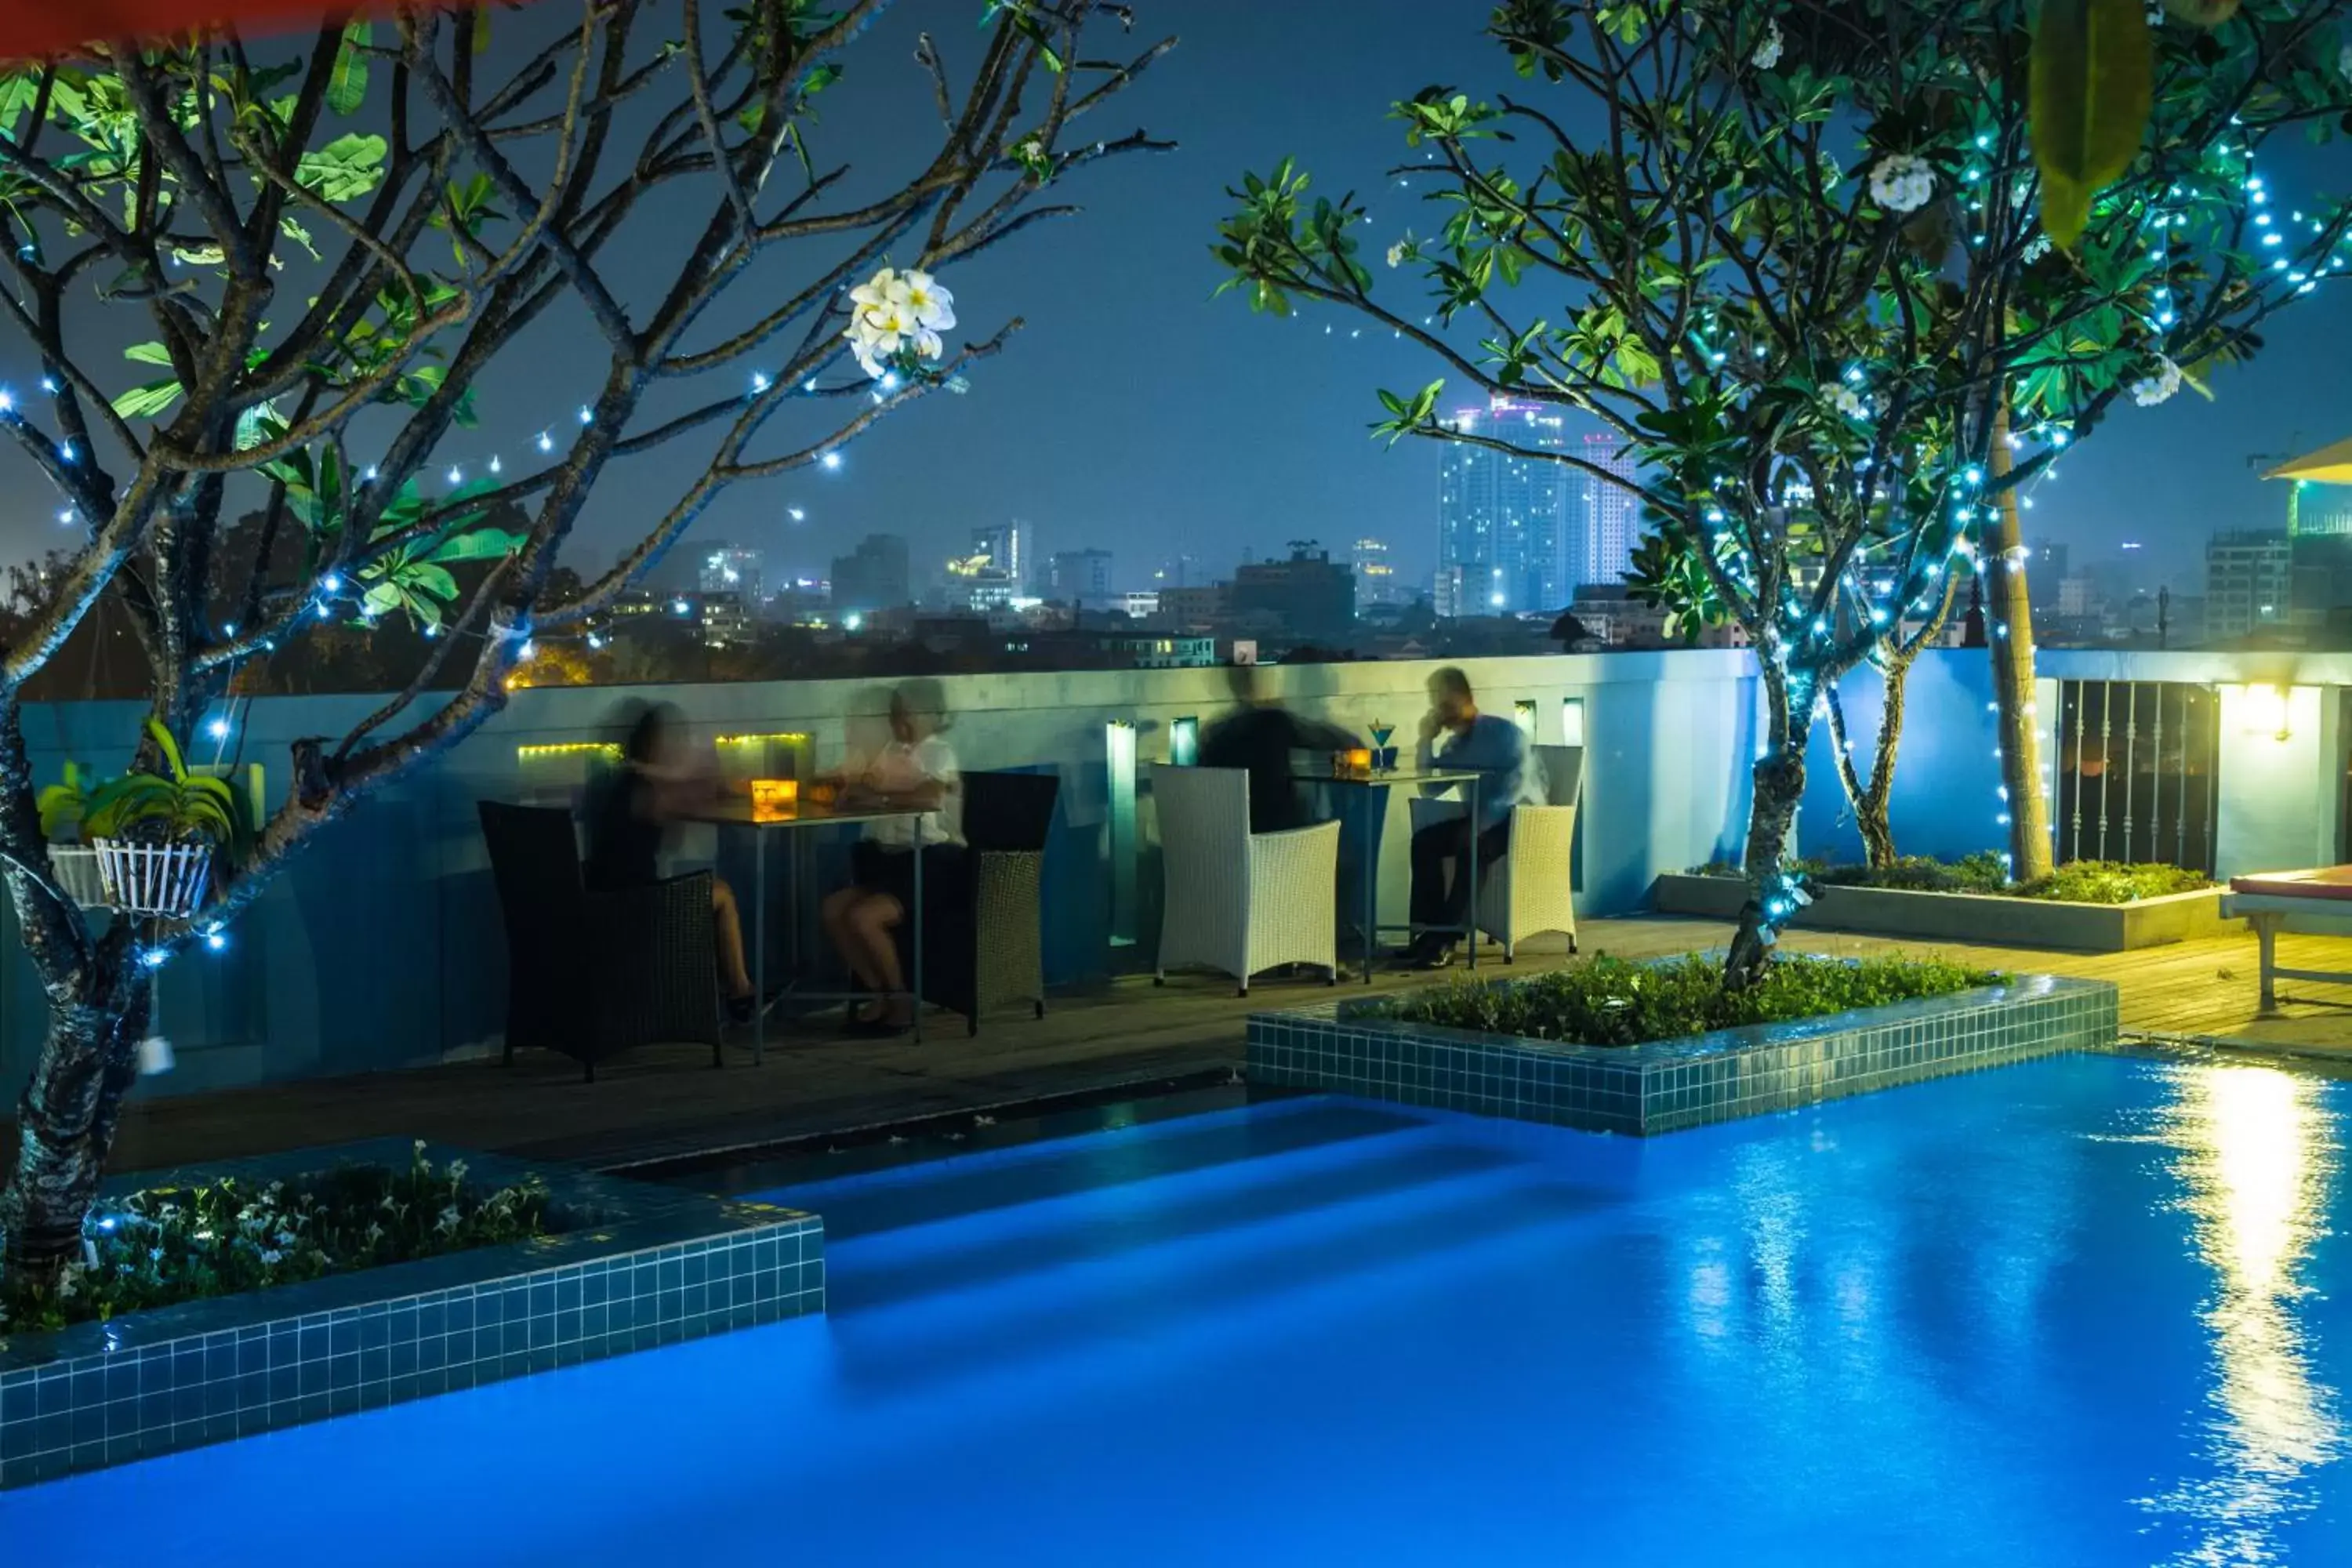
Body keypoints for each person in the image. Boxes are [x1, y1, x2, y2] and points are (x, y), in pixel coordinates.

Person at [581, 700, 757, 1022]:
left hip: (601, 894)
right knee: (722, 894)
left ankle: (735, 988)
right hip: (636, 903)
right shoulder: (646, 790)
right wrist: (708, 780)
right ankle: (740, 988)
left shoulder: (612, 781)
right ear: (656, 744)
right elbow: (682, 811)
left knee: (713, 889)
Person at [821, 681, 966, 1036]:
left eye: (908, 712)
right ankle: (880, 992)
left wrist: (881, 797)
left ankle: (900, 999)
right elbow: (858, 786)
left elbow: (930, 797)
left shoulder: (937, 752)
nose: (901, 720)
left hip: (930, 862)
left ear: (933, 716)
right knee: (833, 910)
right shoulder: (890, 753)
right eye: (897, 713)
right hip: (887, 862)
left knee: (864, 918)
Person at [1406, 666, 1526, 968]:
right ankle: (1428, 932)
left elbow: (1517, 788)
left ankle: (1447, 940)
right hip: (1480, 820)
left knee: (1471, 846)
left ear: (1466, 698)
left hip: (1519, 819)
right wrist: (1425, 741)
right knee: (1425, 843)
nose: (1441, 711)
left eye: (1446, 704)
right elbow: (1430, 788)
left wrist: (1480, 824)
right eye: (1437, 704)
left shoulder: (1503, 734)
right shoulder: (1455, 746)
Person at [1197, 661, 1359, 832]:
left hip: (1229, 838)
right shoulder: (1273, 720)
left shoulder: (1214, 734)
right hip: (1282, 837)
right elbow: (1327, 739)